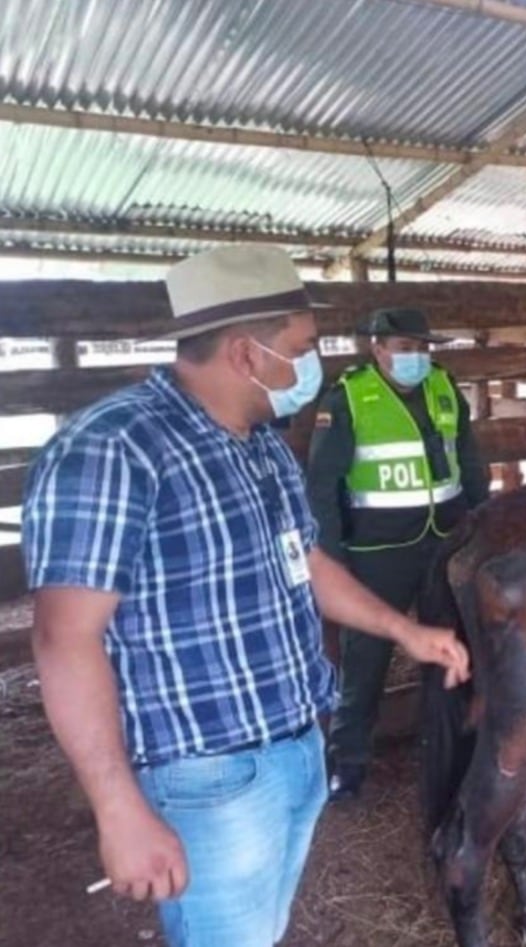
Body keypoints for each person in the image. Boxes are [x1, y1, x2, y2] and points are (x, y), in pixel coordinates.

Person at [21, 244, 470, 947]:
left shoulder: (260, 445)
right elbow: (63, 638)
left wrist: (403, 631)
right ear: (244, 353)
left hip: (295, 743)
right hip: (206, 776)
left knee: (261, 929)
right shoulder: (113, 449)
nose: (311, 365)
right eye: (303, 347)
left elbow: (306, 561)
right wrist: (117, 806)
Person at [307, 308, 490, 805]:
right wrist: (332, 557)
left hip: (445, 542)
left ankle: (454, 744)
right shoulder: (348, 397)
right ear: (379, 349)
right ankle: (348, 761)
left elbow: (469, 460)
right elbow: (322, 484)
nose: (417, 357)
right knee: (366, 659)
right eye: (406, 348)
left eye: (423, 348)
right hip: (378, 551)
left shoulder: (444, 387)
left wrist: (484, 523)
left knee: (453, 646)